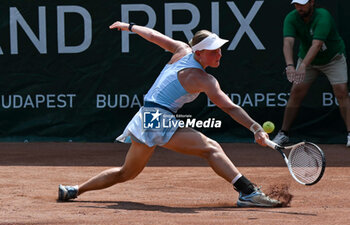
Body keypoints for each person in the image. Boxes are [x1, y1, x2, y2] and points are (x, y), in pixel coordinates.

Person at [58, 21, 281, 207]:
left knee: (126, 173)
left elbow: (154, 35)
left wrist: (129, 26)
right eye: (214, 50)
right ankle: (248, 192)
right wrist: (255, 127)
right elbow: (230, 108)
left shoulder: (182, 50)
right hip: (156, 117)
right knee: (211, 148)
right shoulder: (204, 80)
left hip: (146, 115)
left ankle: (74, 190)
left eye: (220, 48)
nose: (219, 53)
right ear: (199, 52)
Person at [273, 0, 350, 147]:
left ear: (312, 2)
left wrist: (302, 66)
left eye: (302, 4)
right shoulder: (291, 17)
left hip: (333, 59)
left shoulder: (323, 17)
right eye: (296, 4)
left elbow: (317, 45)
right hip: (307, 60)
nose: (299, 8)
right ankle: (283, 133)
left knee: (342, 91)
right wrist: (290, 65)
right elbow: (288, 42)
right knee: (296, 92)